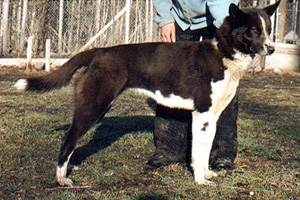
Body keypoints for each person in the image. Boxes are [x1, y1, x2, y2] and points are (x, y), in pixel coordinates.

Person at [149, 0, 240, 170]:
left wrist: (227, 30)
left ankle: (222, 153)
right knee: (173, 77)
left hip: (220, 12)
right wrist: (166, 19)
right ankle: (169, 149)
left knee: (221, 83)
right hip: (181, 17)